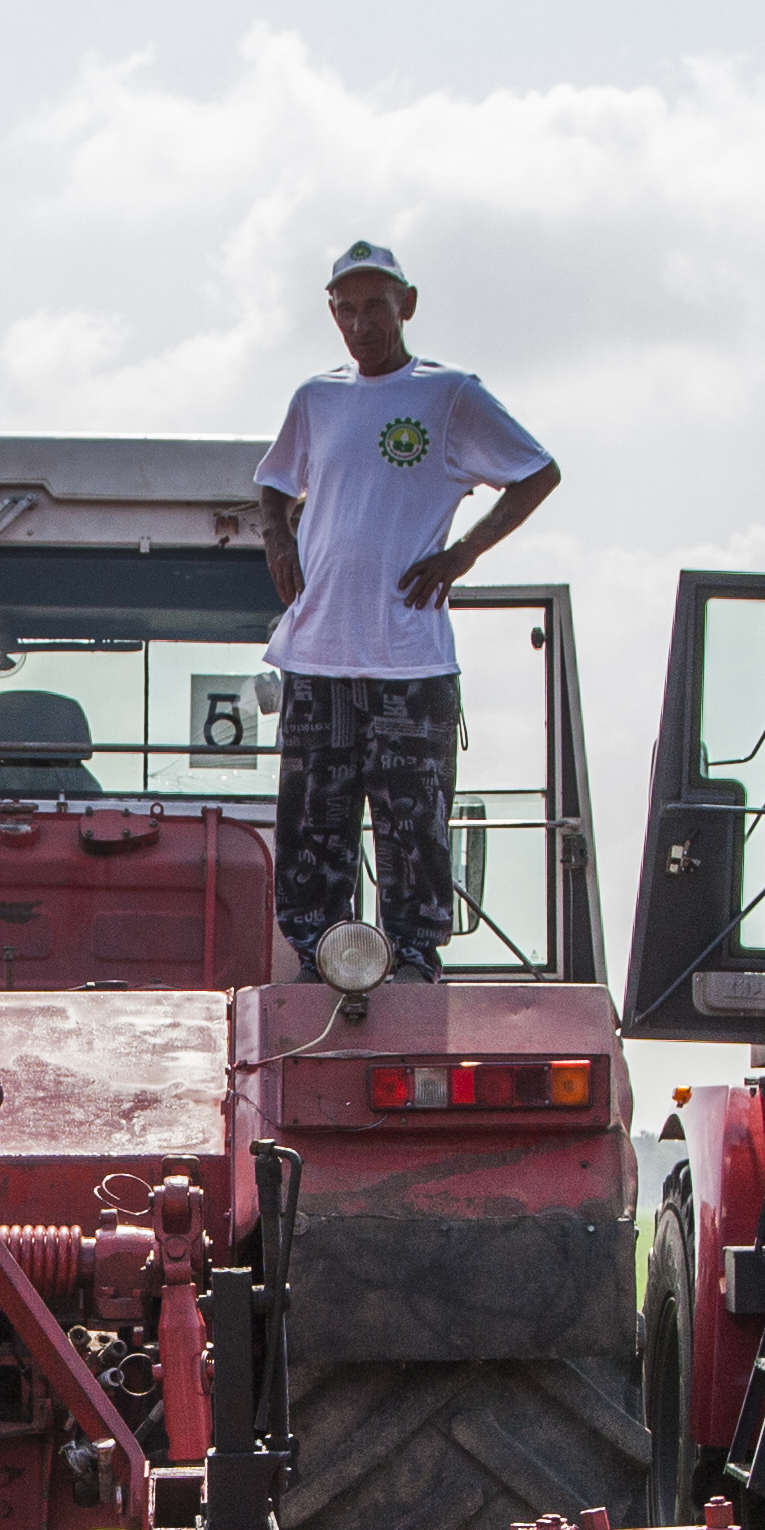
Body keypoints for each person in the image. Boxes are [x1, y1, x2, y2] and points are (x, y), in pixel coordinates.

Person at [254, 240, 559, 981]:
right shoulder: (315, 399)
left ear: (407, 305)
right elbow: (272, 482)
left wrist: (465, 555)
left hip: (409, 663)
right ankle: (315, 963)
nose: (362, 324)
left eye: (376, 308)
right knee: (311, 830)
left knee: (412, 829)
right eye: (347, 310)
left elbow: (536, 472)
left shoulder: (448, 395)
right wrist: (277, 539)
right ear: (333, 315)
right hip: (316, 658)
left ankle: (415, 965)